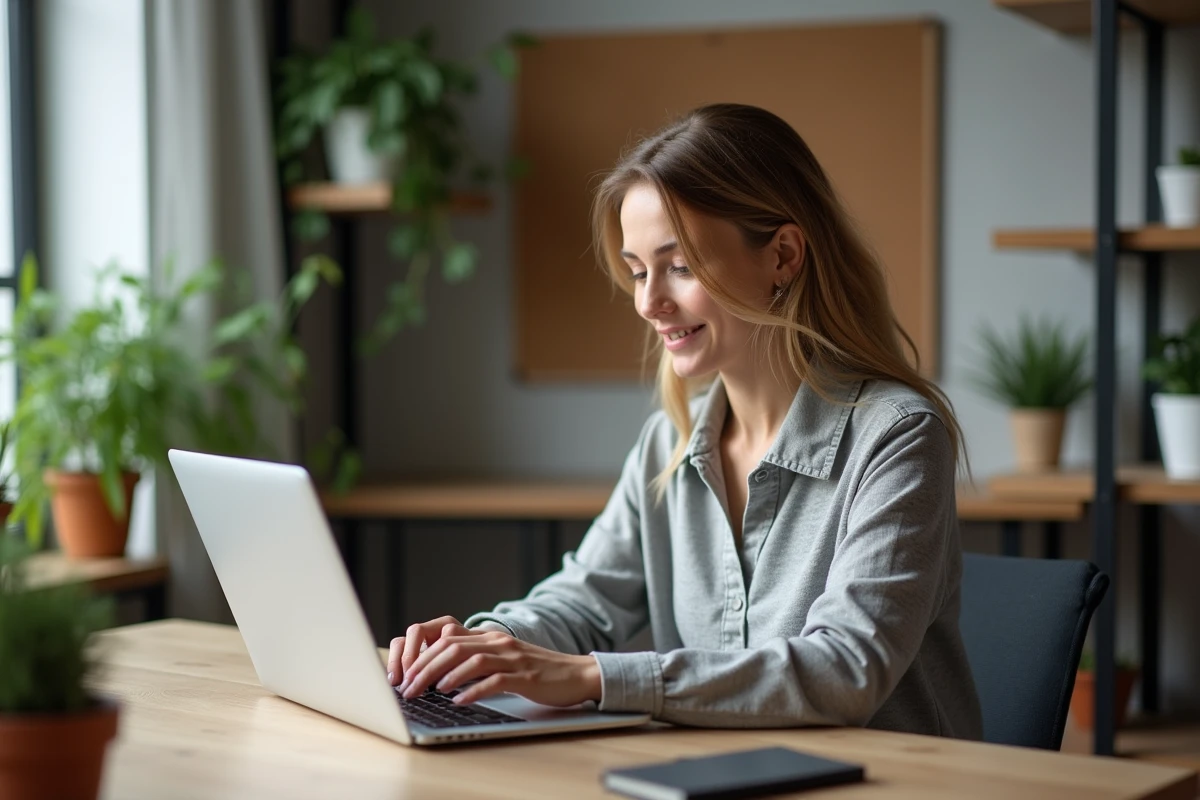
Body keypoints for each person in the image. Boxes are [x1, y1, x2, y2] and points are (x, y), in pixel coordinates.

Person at [387, 103, 982, 738]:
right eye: (638, 271)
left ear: (782, 256)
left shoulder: (897, 437)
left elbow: (844, 671)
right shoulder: (667, 443)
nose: (648, 302)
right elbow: (586, 597)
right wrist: (484, 642)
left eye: (680, 266)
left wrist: (594, 677)